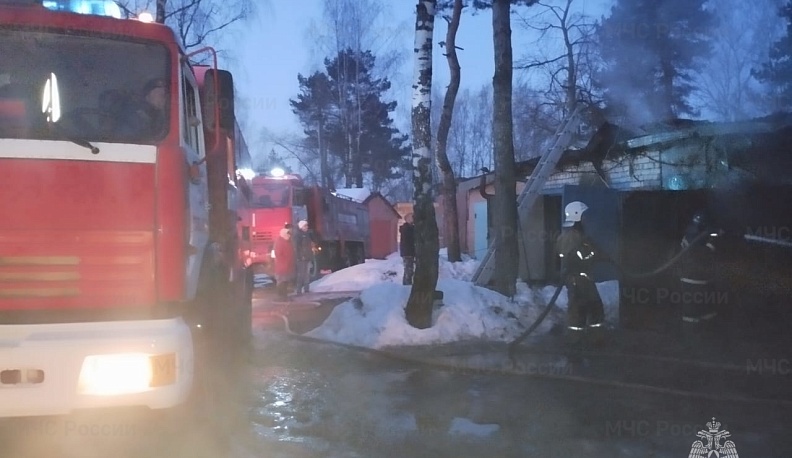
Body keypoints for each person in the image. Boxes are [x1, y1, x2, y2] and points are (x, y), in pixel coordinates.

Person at [555, 201, 606, 346]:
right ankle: (576, 344)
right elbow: (581, 257)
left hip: (583, 279)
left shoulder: (576, 235)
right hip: (577, 280)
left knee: (595, 308)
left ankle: (594, 340)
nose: (586, 219)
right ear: (577, 216)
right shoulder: (571, 237)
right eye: (584, 215)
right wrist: (595, 253)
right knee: (579, 311)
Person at [677, 210, 720, 329]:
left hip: (692, 279)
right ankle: (696, 334)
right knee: (696, 310)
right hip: (696, 279)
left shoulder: (688, 235)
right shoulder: (701, 239)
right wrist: (713, 240)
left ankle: (696, 332)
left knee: (699, 310)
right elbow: (704, 254)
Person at [294, 220, 319, 294]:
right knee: (301, 274)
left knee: (307, 274)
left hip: (308, 257)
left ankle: (306, 289)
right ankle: (298, 290)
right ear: (301, 227)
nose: (307, 227)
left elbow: (314, 241)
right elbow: (296, 247)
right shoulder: (298, 235)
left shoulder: (308, 234)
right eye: (305, 226)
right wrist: (300, 256)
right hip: (301, 258)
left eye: (307, 225)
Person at [273, 226, 296, 301]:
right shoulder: (279, 242)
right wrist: (284, 261)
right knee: (281, 282)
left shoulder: (287, 241)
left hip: (287, 266)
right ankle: (281, 297)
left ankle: (284, 296)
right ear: (284, 234)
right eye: (288, 234)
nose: (289, 236)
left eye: (289, 234)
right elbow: (278, 254)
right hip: (282, 266)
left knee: (285, 281)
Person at [399, 213, 416, 285]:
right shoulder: (407, 229)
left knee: (409, 269)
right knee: (409, 270)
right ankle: (406, 285)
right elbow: (411, 239)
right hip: (408, 252)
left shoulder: (407, 228)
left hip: (408, 252)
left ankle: (407, 284)